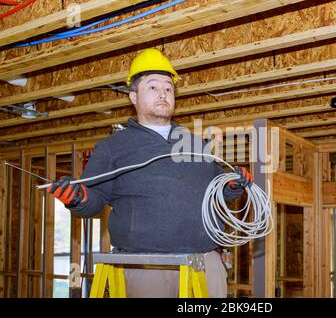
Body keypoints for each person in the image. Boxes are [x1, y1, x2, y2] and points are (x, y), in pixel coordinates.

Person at [47, 48, 253, 298]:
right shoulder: (113, 147)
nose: (163, 94)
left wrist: (232, 187)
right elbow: (95, 200)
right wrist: (77, 198)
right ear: (133, 96)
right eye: (153, 87)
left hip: (206, 264)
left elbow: (218, 193)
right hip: (146, 266)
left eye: (168, 88)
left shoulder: (197, 144)